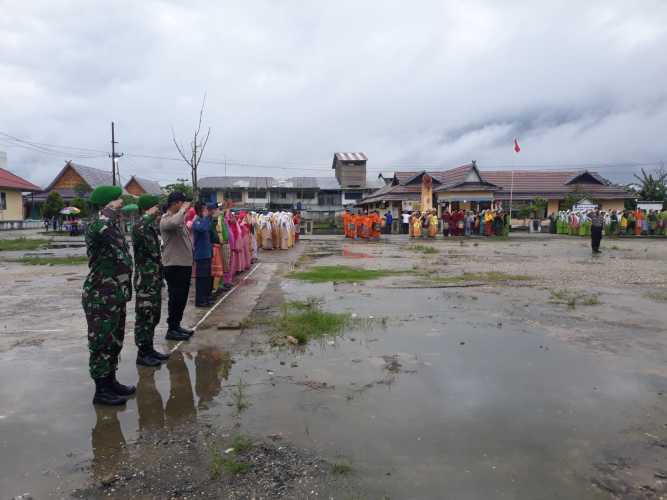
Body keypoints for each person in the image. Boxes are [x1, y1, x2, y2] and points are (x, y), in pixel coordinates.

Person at [82, 185, 135, 406]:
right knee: (102, 342)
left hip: (113, 292)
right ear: (108, 202)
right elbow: (121, 257)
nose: (122, 203)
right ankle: (101, 390)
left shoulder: (111, 224)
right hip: (100, 293)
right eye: (118, 200)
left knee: (114, 340)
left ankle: (111, 381)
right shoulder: (101, 226)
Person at [132, 194, 170, 368]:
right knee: (145, 317)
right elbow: (152, 252)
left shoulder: (149, 226)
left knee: (153, 315)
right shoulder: (141, 225)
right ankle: (143, 353)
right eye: (156, 207)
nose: (158, 210)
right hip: (145, 279)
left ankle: (149, 349)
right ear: (149, 208)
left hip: (153, 277)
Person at [160, 192, 194, 342]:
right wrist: (183, 210)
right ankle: (171, 329)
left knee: (182, 298)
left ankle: (176, 325)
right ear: (175, 203)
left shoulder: (178, 219)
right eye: (182, 203)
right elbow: (174, 223)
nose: (185, 206)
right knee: (175, 298)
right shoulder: (165, 219)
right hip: (174, 265)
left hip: (184, 264)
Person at [192, 202, 213, 308]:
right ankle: (200, 300)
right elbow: (203, 229)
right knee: (201, 279)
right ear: (200, 210)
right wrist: (205, 217)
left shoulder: (204, 221)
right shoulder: (196, 222)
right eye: (204, 209)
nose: (206, 211)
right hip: (201, 255)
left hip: (207, 254)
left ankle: (207, 297)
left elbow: (209, 228)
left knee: (208, 278)